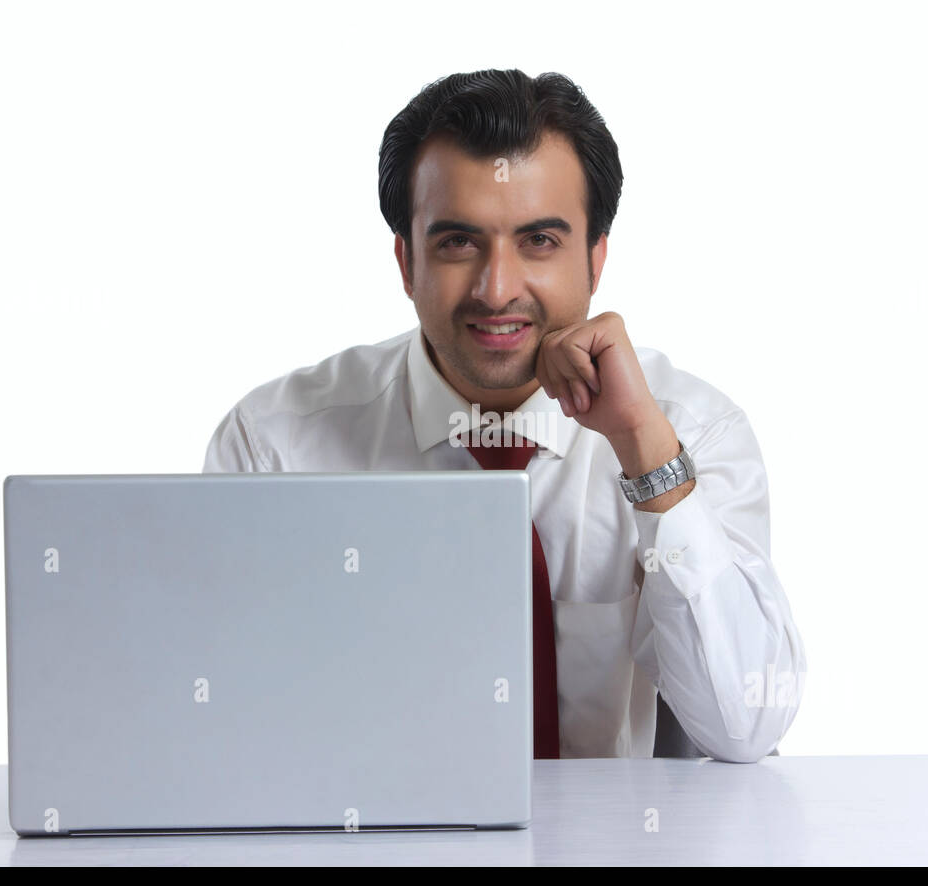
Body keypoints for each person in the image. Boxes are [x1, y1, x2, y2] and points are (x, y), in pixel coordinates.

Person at [203, 68, 806, 762]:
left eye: (539, 242)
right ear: (406, 261)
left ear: (595, 259)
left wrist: (643, 447)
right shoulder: (275, 445)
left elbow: (746, 730)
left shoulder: (693, 430)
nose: (497, 290)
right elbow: (233, 732)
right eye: (458, 242)